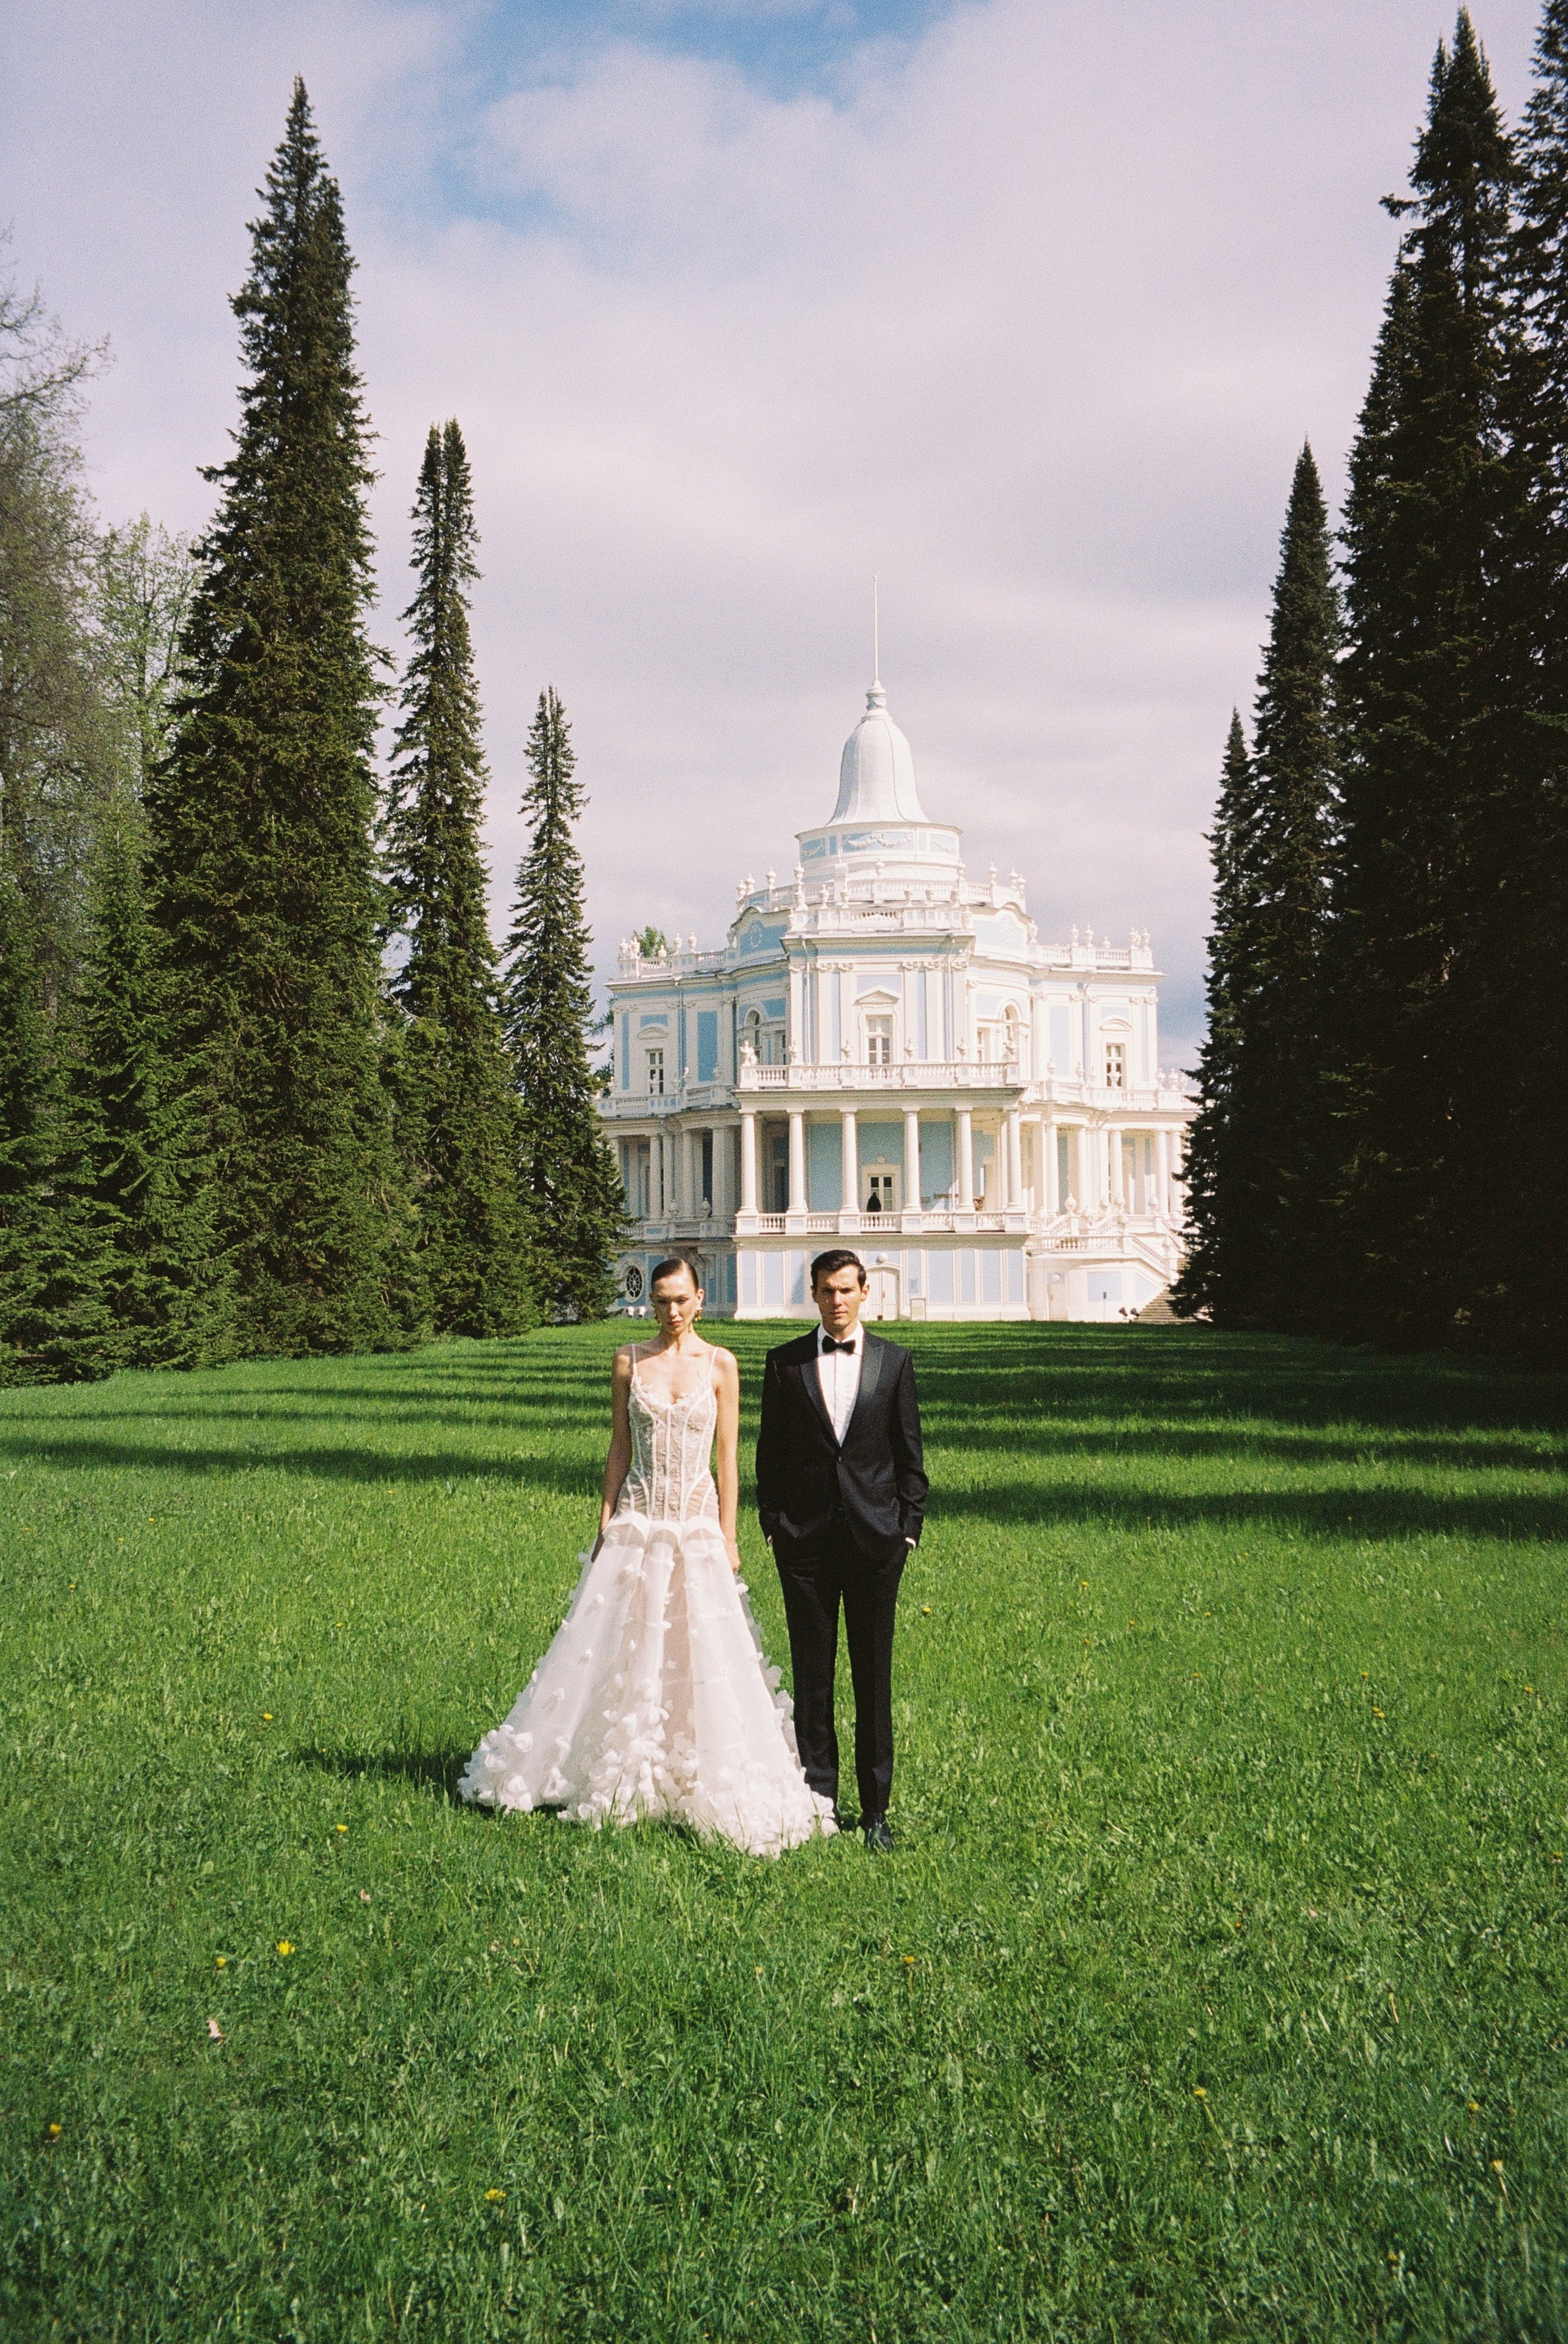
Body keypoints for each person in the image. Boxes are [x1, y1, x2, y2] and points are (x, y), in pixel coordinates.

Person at [459, 1258, 832, 1854]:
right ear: (651, 1303)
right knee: (618, 1645)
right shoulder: (628, 1360)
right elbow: (619, 1443)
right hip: (637, 1518)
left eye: (681, 1299)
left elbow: (728, 1460)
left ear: (700, 1299)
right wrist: (606, 1517)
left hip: (694, 1525)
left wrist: (728, 1534)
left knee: (699, 1647)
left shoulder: (721, 1365)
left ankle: (690, 1773)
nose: (672, 1311)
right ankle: (606, 1767)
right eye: (661, 1301)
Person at [755, 1250, 928, 1850]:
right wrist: (773, 1525)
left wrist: (908, 1528)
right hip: (803, 1542)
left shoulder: (893, 1362)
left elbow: (910, 1456)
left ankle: (875, 1809)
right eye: (826, 1290)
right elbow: (768, 1454)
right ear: (813, 1292)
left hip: (877, 1541)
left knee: (872, 1678)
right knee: (812, 1677)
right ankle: (818, 1800)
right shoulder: (784, 1364)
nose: (836, 1301)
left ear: (865, 1292)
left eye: (846, 1290)